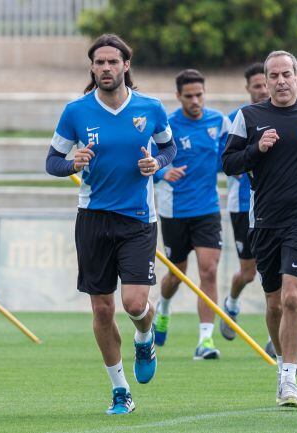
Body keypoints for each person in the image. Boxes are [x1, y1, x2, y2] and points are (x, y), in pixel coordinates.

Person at [45, 34, 176, 415]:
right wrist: (72, 163)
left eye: (112, 62)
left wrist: (157, 163)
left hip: (137, 218)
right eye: (99, 62)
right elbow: (52, 161)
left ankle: (145, 336)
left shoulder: (150, 108)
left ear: (125, 65)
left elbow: (169, 147)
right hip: (93, 218)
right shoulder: (76, 111)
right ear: (92, 67)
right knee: (102, 310)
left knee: (134, 303)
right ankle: (121, 391)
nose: (106, 68)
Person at [222, 50, 297, 408]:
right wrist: (256, 150)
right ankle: (283, 362)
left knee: (293, 296)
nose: (280, 81)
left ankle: (289, 378)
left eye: (286, 74)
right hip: (264, 221)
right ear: (265, 81)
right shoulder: (248, 117)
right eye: (273, 76)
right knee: (274, 303)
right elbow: (229, 163)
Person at [151, 69, 230, 360]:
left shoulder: (219, 122)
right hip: (174, 210)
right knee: (177, 273)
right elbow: (146, 162)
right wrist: (163, 172)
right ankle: (163, 308)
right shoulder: (166, 126)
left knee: (209, 271)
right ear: (178, 96)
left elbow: (227, 159)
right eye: (189, 96)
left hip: (207, 208)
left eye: (199, 95)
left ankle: (205, 340)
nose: (195, 101)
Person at [219, 62, 276, 359]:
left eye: (265, 84)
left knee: (277, 273)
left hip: (275, 205)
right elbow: (224, 161)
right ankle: (232, 302)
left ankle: (276, 336)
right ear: (248, 88)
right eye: (257, 86)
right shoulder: (236, 119)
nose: (263, 90)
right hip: (243, 205)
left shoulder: (284, 116)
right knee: (249, 272)